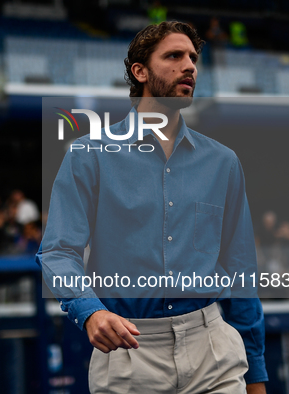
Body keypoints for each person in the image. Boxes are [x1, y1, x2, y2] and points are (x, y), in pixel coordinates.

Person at [37, 21, 267, 393]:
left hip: (213, 348)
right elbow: (58, 252)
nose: (189, 65)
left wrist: (255, 374)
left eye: (193, 57)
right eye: (174, 56)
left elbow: (241, 271)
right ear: (139, 71)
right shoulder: (89, 155)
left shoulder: (223, 162)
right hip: (129, 351)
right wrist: (89, 310)